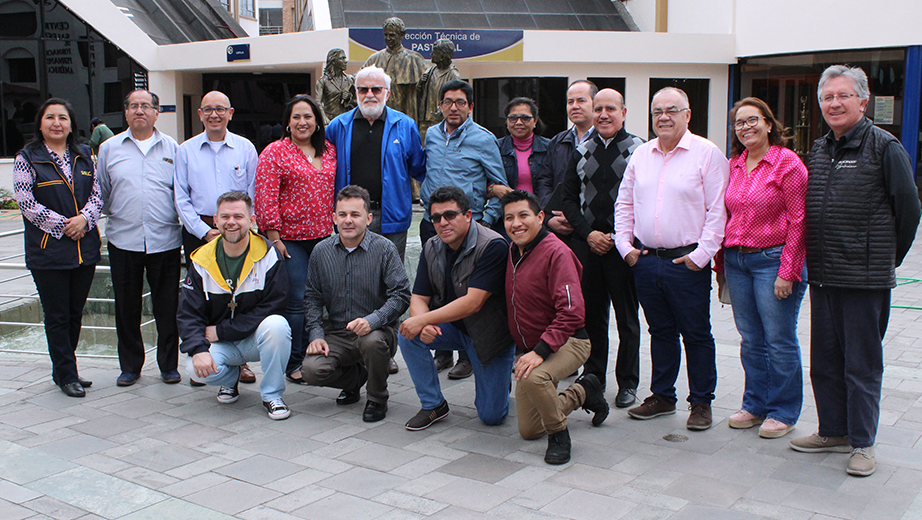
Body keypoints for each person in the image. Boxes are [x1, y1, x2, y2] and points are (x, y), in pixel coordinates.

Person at [789, 65, 920, 476]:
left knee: (861, 366)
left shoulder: (885, 147)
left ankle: (862, 443)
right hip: (824, 276)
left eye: (843, 96)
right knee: (825, 361)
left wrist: (883, 259)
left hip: (864, 280)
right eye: (827, 97)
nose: (834, 103)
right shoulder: (821, 147)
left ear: (863, 101)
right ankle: (833, 431)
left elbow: (909, 211)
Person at [614, 87, 729, 431]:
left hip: (687, 262)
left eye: (672, 110)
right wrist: (625, 248)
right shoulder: (641, 155)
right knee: (660, 331)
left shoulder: (707, 154)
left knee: (696, 334)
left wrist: (701, 256)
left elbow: (718, 210)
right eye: (657, 111)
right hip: (646, 261)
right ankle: (663, 396)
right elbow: (625, 204)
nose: (663, 117)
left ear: (687, 115)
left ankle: (701, 402)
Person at [716, 97, 808, 439]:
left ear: (769, 124)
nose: (746, 128)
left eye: (753, 120)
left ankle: (783, 410)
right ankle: (755, 404)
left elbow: (799, 220)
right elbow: (725, 215)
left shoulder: (788, 164)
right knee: (751, 339)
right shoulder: (734, 165)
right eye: (739, 123)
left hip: (773, 260)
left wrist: (789, 270)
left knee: (779, 339)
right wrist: (721, 265)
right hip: (738, 261)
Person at [501, 190, 609, 465]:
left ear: (540, 217)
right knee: (529, 430)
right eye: (509, 218)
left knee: (536, 377)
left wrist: (539, 351)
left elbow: (572, 313)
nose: (516, 224)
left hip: (570, 342)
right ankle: (584, 391)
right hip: (535, 346)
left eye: (523, 215)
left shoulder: (557, 252)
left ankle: (559, 435)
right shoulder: (514, 251)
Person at [398, 186, 515, 430]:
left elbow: (473, 302)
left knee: (491, 417)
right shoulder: (432, 246)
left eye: (450, 215)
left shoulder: (493, 245)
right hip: (454, 329)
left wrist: (423, 320)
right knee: (408, 334)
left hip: (489, 336)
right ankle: (433, 405)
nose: (443, 223)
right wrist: (424, 323)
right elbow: (419, 296)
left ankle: (499, 382)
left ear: (468, 215)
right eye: (436, 218)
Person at [419, 79, 509, 379]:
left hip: (468, 228)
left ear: (470, 106)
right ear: (440, 105)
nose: (453, 107)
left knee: (463, 288)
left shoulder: (484, 139)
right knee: (436, 286)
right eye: (448, 101)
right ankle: (442, 350)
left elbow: (498, 185)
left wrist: (482, 222)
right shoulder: (431, 134)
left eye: (460, 102)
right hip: (433, 224)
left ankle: (466, 354)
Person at [13, 98, 102, 397]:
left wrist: (84, 220)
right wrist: (66, 225)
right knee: (57, 315)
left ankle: (65, 369)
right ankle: (66, 374)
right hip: (48, 251)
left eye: (62, 117)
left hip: (84, 249)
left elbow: (97, 195)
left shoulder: (84, 155)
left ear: (70, 123)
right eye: (50, 117)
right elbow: (26, 202)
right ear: (40, 123)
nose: (56, 123)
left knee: (75, 313)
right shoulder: (27, 157)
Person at [561, 88, 644, 409]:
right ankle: (593, 377)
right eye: (598, 109)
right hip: (588, 247)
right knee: (592, 317)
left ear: (624, 112)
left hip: (624, 248)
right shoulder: (581, 150)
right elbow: (567, 198)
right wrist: (588, 233)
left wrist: (622, 237)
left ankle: (628, 383)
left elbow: (645, 199)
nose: (604, 115)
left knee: (627, 319)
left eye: (611, 108)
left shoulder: (640, 149)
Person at [178, 191, 292, 420]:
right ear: (216, 220)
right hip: (220, 344)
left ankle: (272, 394)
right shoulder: (201, 260)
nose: (231, 222)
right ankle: (229, 381)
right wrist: (199, 349)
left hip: (251, 338)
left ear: (251, 221)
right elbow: (188, 314)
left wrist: (221, 331)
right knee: (194, 368)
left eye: (239, 216)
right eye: (225, 217)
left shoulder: (268, 255)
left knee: (277, 326)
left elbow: (274, 306)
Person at [302, 186, 411, 422]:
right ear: (333, 218)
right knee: (310, 371)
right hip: (338, 332)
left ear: (369, 218)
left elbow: (401, 295)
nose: (348, 221)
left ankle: (377, 398)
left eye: (355, 214)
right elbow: (312, 297)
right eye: (342, 215)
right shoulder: (321, 252)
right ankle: (356, 378)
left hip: (378, 331)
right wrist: (316, 334)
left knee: (371, 342)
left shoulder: (384, 249)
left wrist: (372, 320)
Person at [174, 91, 260, 386]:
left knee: (239, 296)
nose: (214, 114)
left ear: (231, 112)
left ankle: (240, 361)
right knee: (203, 299)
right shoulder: (185, 151)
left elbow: (252, 192)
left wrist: (241, 227)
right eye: (208, 110)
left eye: (220, 109)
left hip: (238, 233)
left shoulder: (245, 148)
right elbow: (181, 197)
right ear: (199, 114)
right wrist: (204, 231)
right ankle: (202, 355)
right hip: (200, 232)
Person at [97, 90, 183, 387]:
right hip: (124, 239)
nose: (139, 111)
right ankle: (131, 366)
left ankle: (169, 365)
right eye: (133, 106)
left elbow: (179, 193)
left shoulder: (172, 147)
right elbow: (103, 193)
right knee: (126, 306)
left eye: (146, 106)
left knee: (166, 307)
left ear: (156, 113)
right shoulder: (109, 149)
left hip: (165, 240)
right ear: (126, 113)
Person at [255, 94, 336, 386]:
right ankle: (294, 361)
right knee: (298, 300)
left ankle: (317, 351)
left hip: (324, 238)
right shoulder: (275, 152)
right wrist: (274, 238)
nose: (302, 122)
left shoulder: (328, 150)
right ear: (287, 123)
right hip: (290, 240)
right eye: (296, 117)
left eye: (308, 117)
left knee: (320, 298)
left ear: (317, 122)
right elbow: (265, 198)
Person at [325, 65, 426, 262]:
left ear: (387, 93)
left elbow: (419, 168)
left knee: (391, 278)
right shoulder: (338, 126)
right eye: (363, 89)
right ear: (356, 93)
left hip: (391, 217)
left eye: (376, 89)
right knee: (351, 274)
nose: (369, 94)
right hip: (351, 216)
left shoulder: (405, 125)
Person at [543, 80, 599, 239]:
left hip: (593, 231)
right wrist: (549, 217)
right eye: (570, 101)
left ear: (594, 103)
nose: (574, 106)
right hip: (559, 227)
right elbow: (544, 180)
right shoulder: (557, 142)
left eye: (581, 100)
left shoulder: (605, 141)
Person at [363, 17, 427, 122]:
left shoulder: (414, 59)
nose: (388, 38)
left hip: (406, 115)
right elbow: (359, 81)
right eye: (386, 35)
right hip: (381, 117)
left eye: (392, 35)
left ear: (402, 35)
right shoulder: (374, 59)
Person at [416, 38, 461, 141]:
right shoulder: (430, 71)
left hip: (441, 120)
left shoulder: (453, 75)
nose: (431, 54)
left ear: (442, 56)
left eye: (434, 52)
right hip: (426, 119)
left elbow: (456, 99)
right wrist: (420, 84)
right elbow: (419, 93)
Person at [316, 48, 357, 123]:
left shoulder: (350, 80)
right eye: (342, 58)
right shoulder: (323, 81)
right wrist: (324, 118)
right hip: (329, 120)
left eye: (345, 58)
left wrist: (348, 98)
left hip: (345, 120)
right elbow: (317, 103)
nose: (345, 61)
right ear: (333, 61)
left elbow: (356, 102)